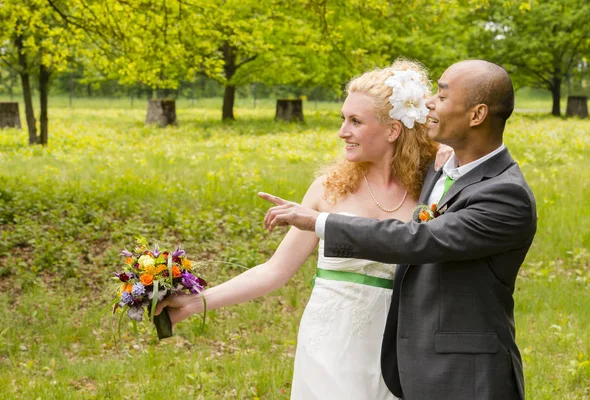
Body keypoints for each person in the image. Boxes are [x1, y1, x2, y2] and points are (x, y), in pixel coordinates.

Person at [156, 59, 449, 399]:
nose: (343, 131)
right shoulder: (329, 189)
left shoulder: (431, 192)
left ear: (393, 130)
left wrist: (449, 151)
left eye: (355, 121)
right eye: (343, 119)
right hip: (331, 347)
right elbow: (274, 271)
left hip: (402, 347)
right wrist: (196, 303)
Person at [259, 60, 537, 400]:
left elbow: (419, 238)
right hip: (402, 363)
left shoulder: (506, 195)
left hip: (466, 375)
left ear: (477, 115)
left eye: (442, 95)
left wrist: (319, 222)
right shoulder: (439, 169)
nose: (429, 102)